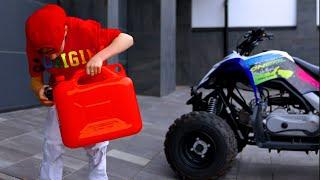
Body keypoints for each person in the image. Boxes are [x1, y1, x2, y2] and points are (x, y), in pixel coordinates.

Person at [25, 4, 134, 180]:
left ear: (66, 31)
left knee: (97, 149)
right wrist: (40, 90)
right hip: (62, 100)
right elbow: (35, 78)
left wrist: (99, 57)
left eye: (54, 50)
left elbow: (127, 38)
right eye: (46, 53)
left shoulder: (85, 30)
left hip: (92, 97)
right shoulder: (35, 41)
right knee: (52, 146)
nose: (52, 57)